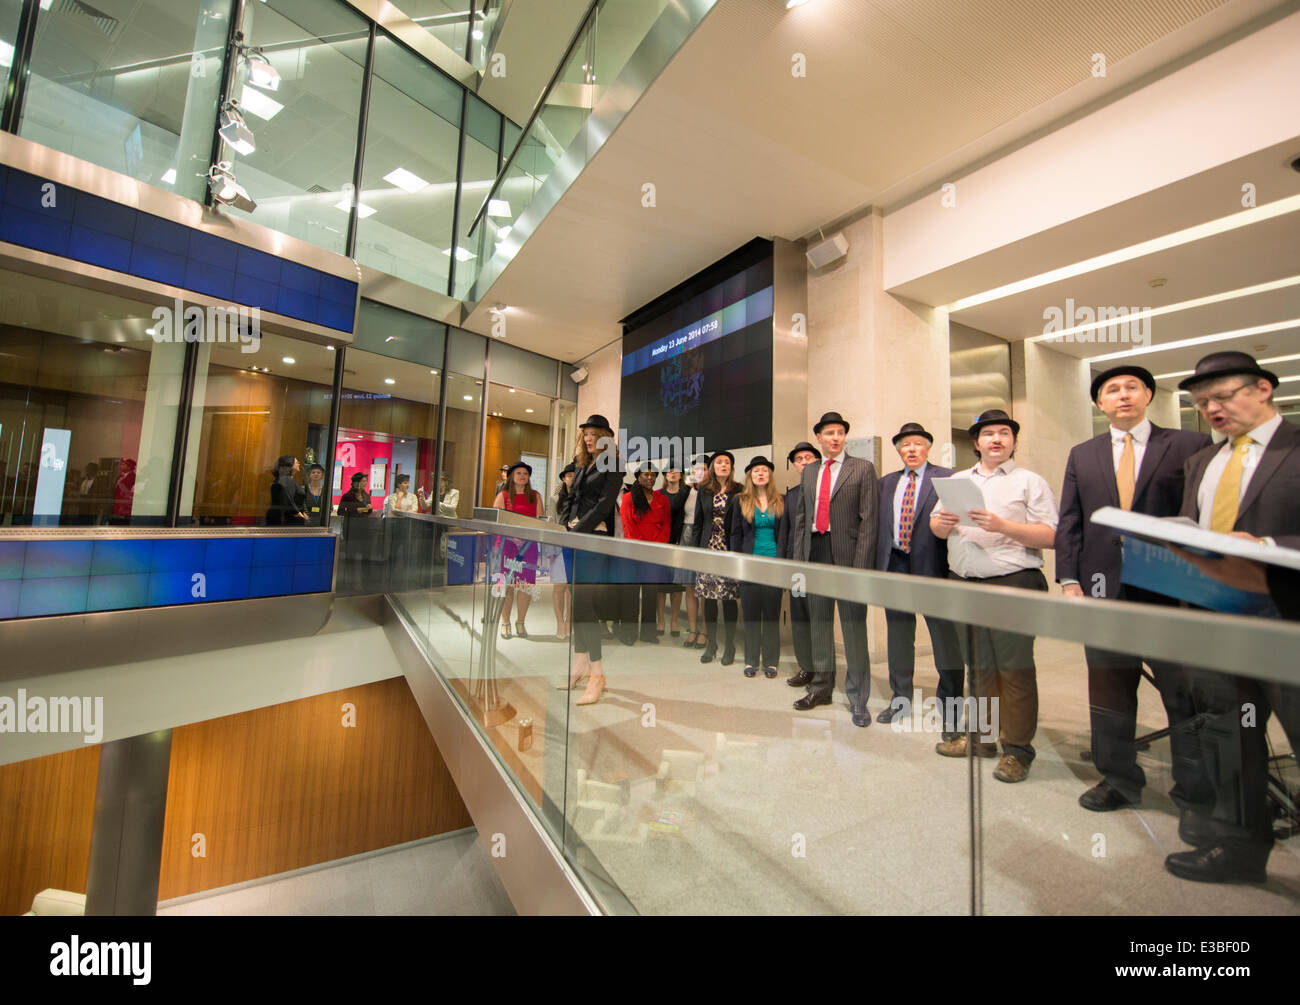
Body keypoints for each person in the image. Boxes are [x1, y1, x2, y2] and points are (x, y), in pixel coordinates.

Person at [1163, 350, 1300, 884]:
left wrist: (1265, 543)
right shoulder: (1203, 462)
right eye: (1201, 403)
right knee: (1228, 734)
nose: (1212, 409)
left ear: (1263, 389)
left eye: (1222, 397)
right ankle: (1240, 847)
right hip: (1214, 617)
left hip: (1286, 621)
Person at [1055, 365, 1212, 814]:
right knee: (1108, 693)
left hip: (1170, 590)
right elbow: (1070, 521)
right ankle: (1118, 778)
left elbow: (1201, 517)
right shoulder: (1082, 454)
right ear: (1100, 404)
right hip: (1103, 589)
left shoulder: (1189, 445)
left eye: (1131, 388)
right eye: (1111, 390)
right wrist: (1069, 580)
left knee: (1183, 693)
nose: (1122, 396)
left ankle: (1194, 789)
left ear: (1147, 395)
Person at [930, 409, 1058, 782]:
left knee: (1014, 669)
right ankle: (984, 739)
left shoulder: (1028, 482)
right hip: (965, 582)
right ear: (976, 442)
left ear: (1014, 441)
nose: (996, 439)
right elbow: (937, 529)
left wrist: (1005, 526)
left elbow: (1051, 535)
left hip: (1013, 582)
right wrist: (941, 523)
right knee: (979, 666)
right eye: (989, 434)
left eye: (1004, 433)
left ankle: (1017, 751)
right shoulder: (956, 480)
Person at [791, 411, 878, 726]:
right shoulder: (810, 471)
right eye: (829, 433)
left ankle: (858, 699)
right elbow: (802, 520)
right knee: (819, 624)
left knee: (854, 629)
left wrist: (859, 568)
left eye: (840, 432)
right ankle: (822, 688)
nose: (835, 437)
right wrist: (800, 563)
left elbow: (869, 523)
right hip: (816, 551)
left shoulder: (862, 469)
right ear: (819, 438)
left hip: (848, 557)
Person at [876, 423, 964, 728]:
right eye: (905, 445)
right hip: (896, 565)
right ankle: (900, 699)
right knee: (899, 637)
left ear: (928, 446)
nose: (911, 450)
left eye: (917, 444)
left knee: (944, 638)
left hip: (934, 567)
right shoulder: (886, 483)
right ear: (899, 451)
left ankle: (951, 703)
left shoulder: (948, 478)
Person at [559, 414, 624, 705]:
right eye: (585, 434)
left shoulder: (613, 463)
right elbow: (570, 498)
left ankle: (597, 673)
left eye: (594, 434)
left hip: (593, 538)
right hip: (573, 537)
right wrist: (564, 526)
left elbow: (604, 505)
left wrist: (578, 527)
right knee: (577, 602)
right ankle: (580, 665)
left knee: (585, 604)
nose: (588, 438)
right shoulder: (583, 464)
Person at [729, 455, 786, 678]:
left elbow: (785, 535)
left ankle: (771, 662)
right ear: (750, 476)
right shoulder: (739, 501)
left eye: (764, 470)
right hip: (749, 565)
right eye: (756, 471)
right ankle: (751, 660)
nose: (760, 473)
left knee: (771, 615)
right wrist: (736, 565)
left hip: (774, 565)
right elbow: (734, 534)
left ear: (769, 475)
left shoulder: (782, 500)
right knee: (751, 615)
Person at [688, 450, 741, 665]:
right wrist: (695, 551)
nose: (723, 465)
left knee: (729, 600)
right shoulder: (704, 491)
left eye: (727, 462)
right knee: (708, 599)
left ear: (731, 467)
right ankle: (711, 644)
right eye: (719, 462)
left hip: (729, 550)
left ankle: (729, 644)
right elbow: (698, 523)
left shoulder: (740, 490)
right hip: (708, 549)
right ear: (713, 467)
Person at [778, 441, 820, 688]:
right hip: (795, 567)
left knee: (819, 619)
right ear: (794, 465)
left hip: (820, 564)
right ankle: (806, 667)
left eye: (808, 458)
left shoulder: (827, 490)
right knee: (800, 618)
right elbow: (785, 534)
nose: (804, 462)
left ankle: (824, 670)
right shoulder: (791, 495)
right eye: (799, 459)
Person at [621, 461, 671, 643]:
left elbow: (666, 526)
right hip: (634, 552)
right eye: (646, 475)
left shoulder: (662, 499)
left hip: (654, 553)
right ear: (638, 477)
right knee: (631, 594)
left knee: (651, 593)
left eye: (653, 475)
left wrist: (656, 548)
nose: (650, 478)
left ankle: (648, 634)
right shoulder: (628, 498)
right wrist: (642, 548)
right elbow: (628, 526)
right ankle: (629, 633)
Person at [493, 461, 543, 639]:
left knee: (526, 585)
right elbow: (496, 520)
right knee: (506, 584)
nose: (522, 476)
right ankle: (505, 622)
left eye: (525, 473)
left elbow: (540, 521)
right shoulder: (504, 495)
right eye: (519, 473)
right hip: (507, 543)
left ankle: (520, 621)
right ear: (512, 476)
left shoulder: (535, 496)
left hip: (529, 545)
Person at [677, 456, 709, 649]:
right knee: (690, 587)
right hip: (686, 536)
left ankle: (704, 630)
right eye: (695, 469)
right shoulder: (687, 490)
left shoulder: (713, 491)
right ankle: (692, 629)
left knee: (704, 588)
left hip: (704, 538)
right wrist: (686, 487)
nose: (699, 473)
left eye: (703, 469)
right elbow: (675, 508)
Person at [656, 461, 690, 637]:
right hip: (661, 544)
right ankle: (661, 620)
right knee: (661, 586)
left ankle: (675, 621)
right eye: (669, 471)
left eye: (676, 471)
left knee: (677, 586)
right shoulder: (658, 494)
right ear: (664, 475)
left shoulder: (688, 493)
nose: (673, 473)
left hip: (680, 543)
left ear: (681, 475)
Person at [548, 463, 576, 640]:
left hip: (577, 545)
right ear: (564, 478)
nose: (572, 478)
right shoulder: (555, 498)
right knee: (559, 586)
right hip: (559, 545)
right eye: (569, 475)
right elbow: (551, 523)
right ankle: (559, 621)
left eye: (575, 475)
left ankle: (568, 621)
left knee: (572, 587)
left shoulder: (583, 497)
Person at [266, 455, 307, 525]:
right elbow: (287, 499)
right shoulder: (286, 479)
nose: (299, 464)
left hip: (283, 517)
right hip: (287, 520)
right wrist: (298, 513)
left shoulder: (284, 479)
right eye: (297, 462)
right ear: (290, 465)